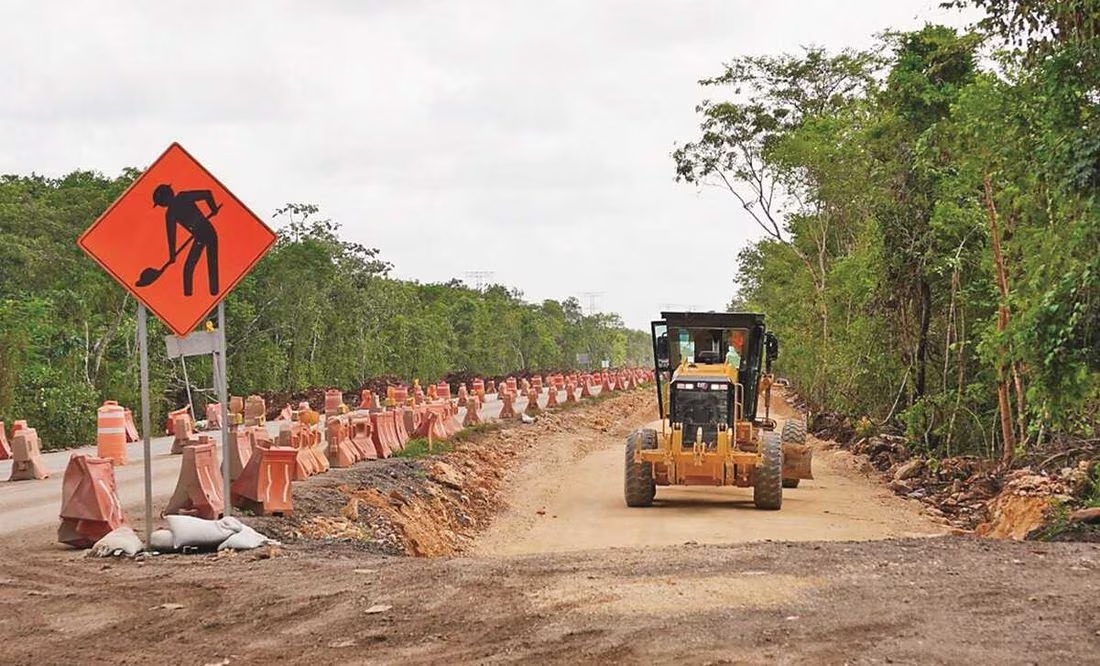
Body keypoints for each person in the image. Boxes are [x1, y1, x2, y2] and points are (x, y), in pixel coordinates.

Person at [152, 183, 221, 296]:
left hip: (206, 233)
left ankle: (212, 293)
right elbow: (172, 237)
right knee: (190, 268)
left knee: (207, 263)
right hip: (202, 235)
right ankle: (191, 295)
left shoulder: (175, 207)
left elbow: (207, 193)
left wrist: (173, 256)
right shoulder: (175, 207)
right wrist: (213, 209)